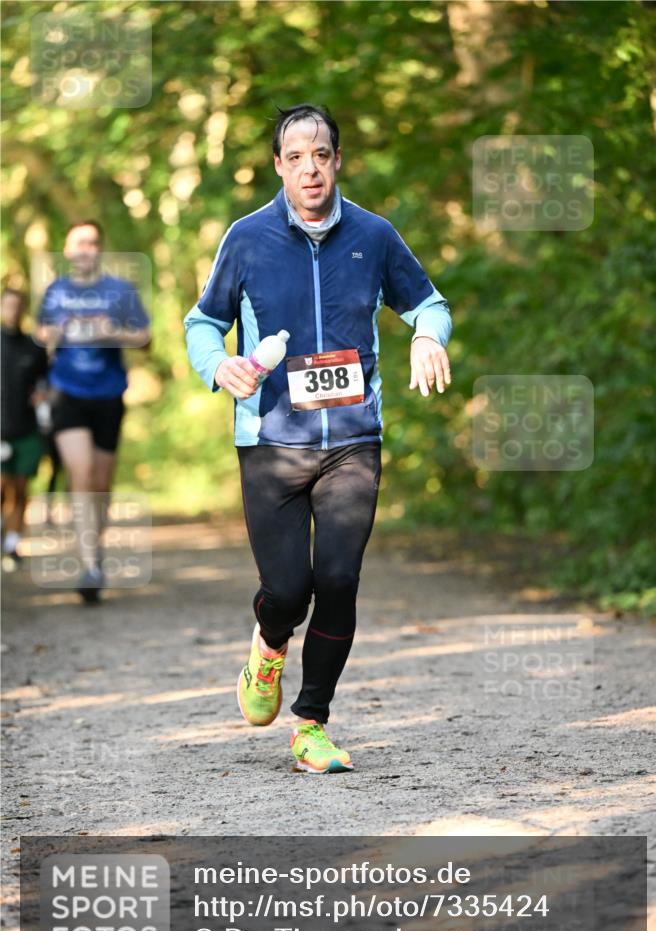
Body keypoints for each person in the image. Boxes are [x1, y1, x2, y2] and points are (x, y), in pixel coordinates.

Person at [185, 104, 452, 773]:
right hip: (270, 441)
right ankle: (267, 646)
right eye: (296, 156)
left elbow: (427, 302)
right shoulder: (246, 239)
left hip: (352, 441)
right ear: (278, 165)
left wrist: (426, 335)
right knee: (287, 590)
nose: (310, 167)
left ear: (337, 161)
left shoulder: (373, 234)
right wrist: (216, 365)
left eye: (322, 154)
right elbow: (202, 322)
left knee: (337, 580)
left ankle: (311, 723)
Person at [36, 220, 150, 603]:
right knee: (81, 472)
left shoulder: (120, 290)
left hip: (108, 394)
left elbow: (145, 337)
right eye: (78, 243)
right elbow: (41, 334)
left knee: (100, 482)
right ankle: (88, 566)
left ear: (100, 250)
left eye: (92, 243)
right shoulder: (55, 292)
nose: (86, 249)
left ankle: (93, 551)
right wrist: (52, 336)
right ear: (68, 251)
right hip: (66, 391)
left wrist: (111, 331)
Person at [1, 288, 49, 570]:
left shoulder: (34, 348)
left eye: (18, 306)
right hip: (0, 428)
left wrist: (42, 397)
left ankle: (13, 543)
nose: (13, 311)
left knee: (20, 489)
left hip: (27, 429)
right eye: (8, 305)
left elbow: (45, 383)